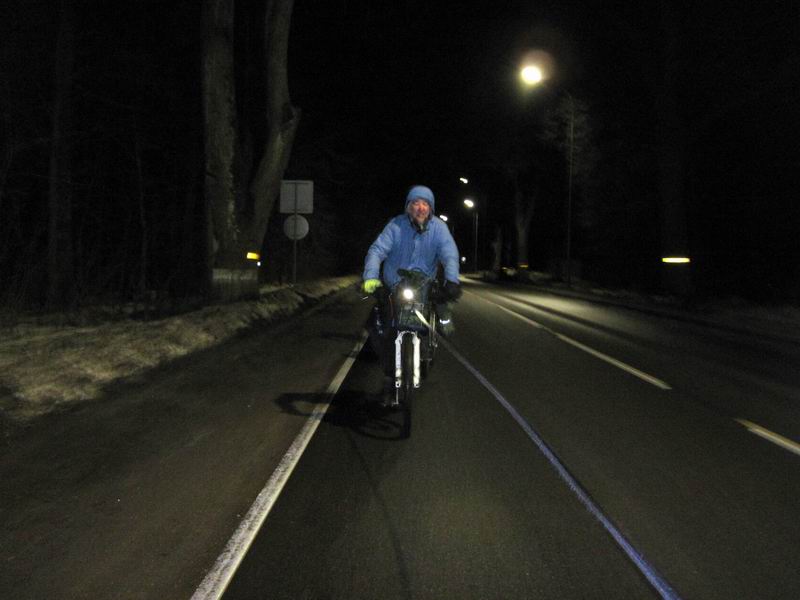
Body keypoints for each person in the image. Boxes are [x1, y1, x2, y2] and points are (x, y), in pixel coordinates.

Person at [362, 185, 461, 401]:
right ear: (408, 207)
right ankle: (390, 373)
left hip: (424, 285)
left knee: (438, 306)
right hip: (395, 284)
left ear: (431, 208)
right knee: (381, 327)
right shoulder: (395, 226)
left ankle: (439, 328)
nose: (420, 207)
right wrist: (371, 277)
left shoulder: (439, 229)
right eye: (415, 203)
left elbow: (449, 255)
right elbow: (377, 250)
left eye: (425, 204)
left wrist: (452, 281)